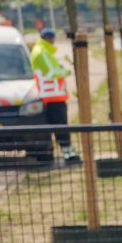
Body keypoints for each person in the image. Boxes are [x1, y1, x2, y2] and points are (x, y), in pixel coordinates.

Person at [30, 26, 71, 161]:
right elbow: (52, 73)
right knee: (60, 127)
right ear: (49, 38)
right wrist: (65, 71)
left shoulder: (42, 51)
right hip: (52, 97)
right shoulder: (42, 52)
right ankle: (68, 154)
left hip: (52, 96)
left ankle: (55, 154)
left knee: (55, 127)